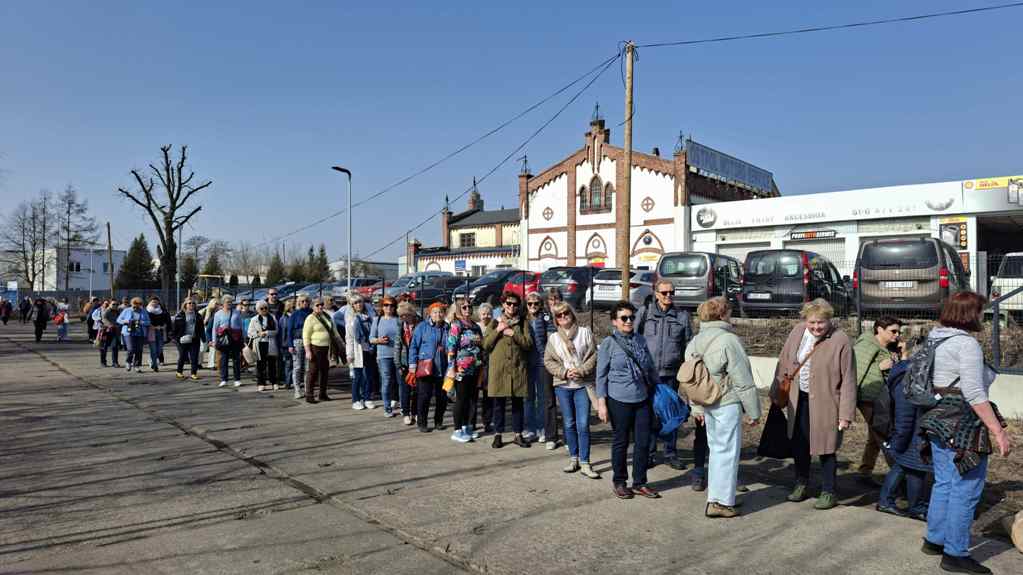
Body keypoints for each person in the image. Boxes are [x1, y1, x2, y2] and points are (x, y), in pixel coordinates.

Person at [920, 292, 1011, 574]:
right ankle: (955, 553)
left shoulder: (935, 337)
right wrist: (998, 431)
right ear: (970, 314)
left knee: (945, 481)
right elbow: (973, 392)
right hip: (963, 421)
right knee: (967, 488)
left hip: (937, 417)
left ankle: (935, 539)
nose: (983, 316)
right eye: (981, 311)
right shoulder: (966, 344)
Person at [769, 298, 856, 510]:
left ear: (829, 320)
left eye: (821, 322)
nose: (816, 327)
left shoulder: (841, 340)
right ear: (805, 320)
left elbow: (849, 379)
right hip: (798, 399)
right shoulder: (798, 332)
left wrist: (845, 414)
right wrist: (775, 393)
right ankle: (801, 483)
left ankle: (829, 491)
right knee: (799, 444)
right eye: (812, 322)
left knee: (826, 447)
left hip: (827, 402)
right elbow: (784, 361)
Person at [686, 297, 761, 518]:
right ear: (722, 314)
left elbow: (692, 379)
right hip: (726, 402)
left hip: (706, 403)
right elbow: (742, 379)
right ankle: (721, 502)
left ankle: (716, 499)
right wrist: (754, 411)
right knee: (727, 453)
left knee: (717, 452)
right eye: (728, 311)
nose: (730, 315)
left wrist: (696, 407)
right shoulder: (729, 340)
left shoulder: (695, 341)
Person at [596, 300, 661, 500]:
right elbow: (601, 375)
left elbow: (650, 367)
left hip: (642, 398)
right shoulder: (609, 343)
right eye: (623, 318)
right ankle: (620, 482)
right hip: (618, 399)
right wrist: (601, 403)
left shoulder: (640, 340)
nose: (628, 321)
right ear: (614, 321)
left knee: (643, 442)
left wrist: (660, 390)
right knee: (621, 441)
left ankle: (640, 482)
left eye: (631, 317)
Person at [635, 279, 694, 474]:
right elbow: (634, 339)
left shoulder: (682, 316)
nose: (668, 296)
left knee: (671, 413)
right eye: (664, 292)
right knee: (650, 414)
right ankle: (650, 453)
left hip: (671, 374)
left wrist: (686, 371)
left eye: (671, 292)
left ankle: (670, 453)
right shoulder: (645, 313)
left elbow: (689, 344)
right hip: (648, 374)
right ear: (656, 293)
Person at [543, 301, 600, 478]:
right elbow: (548, 361)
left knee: (583, 424)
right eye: (559, 315)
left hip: (582, 385)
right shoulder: (553, 338)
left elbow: (593, 355)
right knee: (569, 423)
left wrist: (581, 370)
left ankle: (585, 462)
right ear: (555, 319)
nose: (563, 317)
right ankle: (573, 458)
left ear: (571, 313)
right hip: (563, 386)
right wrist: (564, 372)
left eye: (565, 313)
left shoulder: (585, 332)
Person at [877, 346, 931, 521]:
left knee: (906, 467)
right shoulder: (908, 379)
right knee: (913, 468)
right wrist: (898, 443)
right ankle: (913, 506)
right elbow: (904, 416)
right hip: (910, 434)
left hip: (914, 433)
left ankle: (890, 501)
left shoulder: (915, 375)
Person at [853, 316, 906, 486]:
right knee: (884, 435)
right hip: (868, 396)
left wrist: (902, 354)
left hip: (882, 396)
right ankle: (899, 478)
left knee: (875, 435)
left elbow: (899, 371)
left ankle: (864, 472)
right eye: (893, 331)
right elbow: (855, 371)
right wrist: (880, 367)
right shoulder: (866, 345)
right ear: (879, 329)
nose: (897, 335)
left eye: (898, 331)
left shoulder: (889, 348)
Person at [484, 292, 532, 448]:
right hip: (500, 370)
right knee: (499, 404)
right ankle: (497, 435)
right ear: (503, 305)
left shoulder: (523, 322)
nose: (512, 306)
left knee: (518, 404)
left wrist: (513, 333)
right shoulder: (494, 321)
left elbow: (528, 344)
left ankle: (518, 435)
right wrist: (498, 330)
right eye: (508, 303)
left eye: (515, 304)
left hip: (517, 369)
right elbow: (486, 344)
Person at [446, 299, 484, 443]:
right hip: (461, 368)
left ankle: (466, 426)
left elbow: (481, 345)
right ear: (459, 310)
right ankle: (457, 430)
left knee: (471, 399)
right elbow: (451, 348)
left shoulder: (475, 326)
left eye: (470, 306)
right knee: (461, 399)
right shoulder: (456, 326)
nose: (468, 309)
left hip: (476, 367)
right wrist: (451, 368)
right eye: (464, 307)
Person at [409, 302, 449, 432]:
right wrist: (412, 364)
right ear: (430, 314)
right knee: (424, 396)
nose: (438, 314)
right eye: (435, 312)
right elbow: (413, 346)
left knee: (442, 397)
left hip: (442, 367)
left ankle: (439, 421)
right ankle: (422, 423)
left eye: (440, 312)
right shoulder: (422, 327)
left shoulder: (447, 327)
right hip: (425, 366)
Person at [524, 291, 557, 448]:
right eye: (530, 303)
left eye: (536, 303)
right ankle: (530, 428)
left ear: (540, 304)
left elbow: (551, 338)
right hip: (526, 363)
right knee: (528, 397)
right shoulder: (523, 318)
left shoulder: (545, 317)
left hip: (542, 362)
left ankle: (542, 428)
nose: (533, 306)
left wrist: (549, 358)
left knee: (543, 397)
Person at [302, 297, 343, 404]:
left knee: (324, 371)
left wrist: (341, 343)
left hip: (327, 347)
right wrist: (308, 351)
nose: (320, 306)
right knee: (313, 371)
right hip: (315, 347)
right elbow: (306, 336)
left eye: (321, 304)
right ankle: (309, 395)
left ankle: (322, 394)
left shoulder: (327, 316)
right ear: (313, 307)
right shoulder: (310, 318)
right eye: (317, 305)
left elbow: (334, 331)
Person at [370, 296, 401, 417]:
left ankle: (403, 407)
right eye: (386, 305)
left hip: (399, 355)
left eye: (392, 305)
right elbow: (371, 339)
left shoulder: (399, 320)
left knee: (400, 381)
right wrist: (379, 340)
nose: (389, 307)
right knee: (386, 381)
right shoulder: (377, 320)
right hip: (384, 355)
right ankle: (387, 408)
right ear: (382, 307)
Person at [345, 293, 376, 410]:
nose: (358, 304)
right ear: (352, 306)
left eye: (360, 302)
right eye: (355, 303)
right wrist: (349, 354)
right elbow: (349, 338)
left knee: (369, 375)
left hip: (369, 349)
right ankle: (356, 399)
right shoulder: (351, 320)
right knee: (357, 376)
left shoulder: (368, 317)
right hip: (357, 351)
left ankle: (367, 398)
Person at [470, 302, 495, 432]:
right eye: (484, 314)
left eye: (489, 314)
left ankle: (487, 421)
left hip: (490, 364)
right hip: (476, 364)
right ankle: (471, 422)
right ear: (479, 315)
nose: (486, 316)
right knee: (473, 395)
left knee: (488, 396)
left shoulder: (494, 327)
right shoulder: (475, 327)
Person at [395, 301, 420, 425]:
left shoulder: (420, 324)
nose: (403, 317)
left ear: (411, 313)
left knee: (416, 389)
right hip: (404, 361)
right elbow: (397, 346)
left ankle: (415, 412)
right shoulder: (400, 326)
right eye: (401, 315)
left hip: (418, 361)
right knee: (405, 389)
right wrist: (398, 364)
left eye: (405, 315)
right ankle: (406, 413)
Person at [212, 295, 244, 388]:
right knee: (223, 359)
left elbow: (241, 326)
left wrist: (243, 338)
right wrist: (214, 341)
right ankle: (224, 379)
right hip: (224, 338)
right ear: (223, 303)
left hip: (235, 338)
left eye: (231, 302)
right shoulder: (218, 314)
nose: (229, 304)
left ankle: (237, 379)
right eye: (227, 302)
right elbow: (215, 328)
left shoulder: (236, 312)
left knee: (236, 359)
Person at [248, 300, 280, 392]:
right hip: (259, 343)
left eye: (266, 308)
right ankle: (261, 383)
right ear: (258, 310)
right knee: (260, 365)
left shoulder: (272, 317)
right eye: (261, 308)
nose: (264, 310)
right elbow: (250, 333)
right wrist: (258, 334)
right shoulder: (254, 319)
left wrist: (267, 333)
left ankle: (274, 382)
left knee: (272, 364)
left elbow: (276, 331)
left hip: (270, 343)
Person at [172, 298, 205, 380]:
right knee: (183, 356)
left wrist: (203, 338)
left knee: (194, 357)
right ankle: (179, 372)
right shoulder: (180, 315)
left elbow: (201, 328)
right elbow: (175, 328)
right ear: (185, 305)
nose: (191, 304)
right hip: (183, 339)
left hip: (194, 339)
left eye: (193, 303)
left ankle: (193, 373)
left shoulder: (198, 315)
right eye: (189, 303)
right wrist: (175, 338)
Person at [288, 295, 313, 400]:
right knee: (297, 366)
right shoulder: (295, 314)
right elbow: (289, 330)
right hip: (298, 341)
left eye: (306, 301)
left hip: (310, 341)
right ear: (298, 302)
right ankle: (297, 389)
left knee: (308, 367)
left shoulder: (312, 313)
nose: (304, 303)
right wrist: (290, 344)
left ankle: (307, 389)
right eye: (302, 301)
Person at [117, 297, 151, 372]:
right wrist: (126, 321)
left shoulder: (143, 311)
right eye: (135, 303)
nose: (136, 305)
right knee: (131, 349)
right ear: (132, 303)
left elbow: (148, 322)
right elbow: (118, 320)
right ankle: (128, 362)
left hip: (140, 333)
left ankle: (137, 365)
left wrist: (141, 322)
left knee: (139, 350)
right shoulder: (126, 310)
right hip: (128, 332)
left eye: (139, 304)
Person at [146, 296, 169, 371]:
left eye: (156, 302)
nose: (155, 303)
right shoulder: (147, 311)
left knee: (159, 349)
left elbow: (167, 319)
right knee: (153, 349)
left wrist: (164, 325)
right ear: (150, 302)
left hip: (160, 331)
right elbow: (146, 321)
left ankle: (151, 359)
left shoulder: (162, 310)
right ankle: (154, 365)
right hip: (151, 331)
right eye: (153, 302)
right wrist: (153, 327)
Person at [99, 301, 122, 367]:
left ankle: (115, 362)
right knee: (104, 347)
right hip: (105, 331)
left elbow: (120, 319)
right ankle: (103, 362)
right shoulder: (106, 311)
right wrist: (110, 325)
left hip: (115, 331)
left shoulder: (118, 312)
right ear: (110, 305)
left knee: (115, 347)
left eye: (117, 304)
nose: (115, 305)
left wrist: (119, 325)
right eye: (113, 304)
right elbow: (104, 319)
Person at [279, 299, 295, 391]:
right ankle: (288, 382)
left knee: (293, 364)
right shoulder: (284, 318)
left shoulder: (289, 317)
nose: (294, 309)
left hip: (291, 343)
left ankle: (291, 381)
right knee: (289, 364)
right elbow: (282, 333)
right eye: (293, 307)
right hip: (286, 344)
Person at [203, 299, 219, 369]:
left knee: (213, 349)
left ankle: (212, 364)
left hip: (214, 332)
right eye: (216, 304)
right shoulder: (206, 311)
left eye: (218, 304)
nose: (217, 305)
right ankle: (199, 363)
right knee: (203, 349)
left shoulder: (218, 313)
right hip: (206, 330)